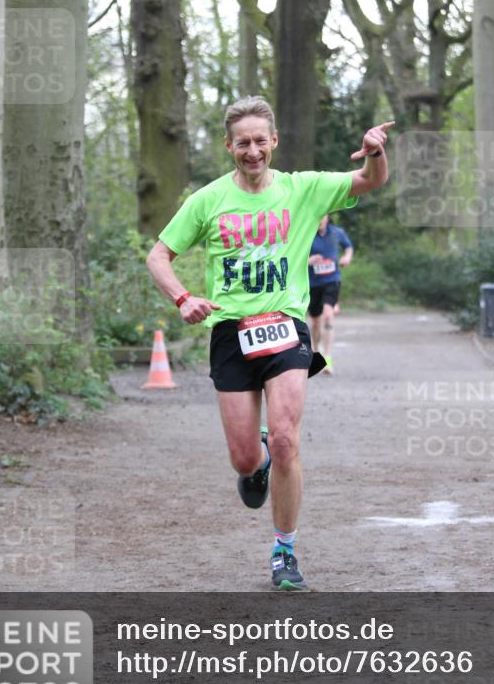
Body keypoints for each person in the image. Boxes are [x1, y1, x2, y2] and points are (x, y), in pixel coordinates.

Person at [146, 96, 393, 590]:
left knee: (285, 439)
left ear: (274, 141)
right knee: (245, 459)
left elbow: (370, 181)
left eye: (261, 140)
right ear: (229, 146)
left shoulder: (303, 189)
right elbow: (158, 256)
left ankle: (285, 551)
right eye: (243, 143)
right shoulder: (207, 200)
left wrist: (375, 152)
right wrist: (182, 298)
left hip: (285, 327)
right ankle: (255, 460)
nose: (253, 151)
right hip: (230, 333)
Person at [308, 215, 353, 374]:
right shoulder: (306, 233)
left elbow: (348, 247)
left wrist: (347, 257)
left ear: (327, 217)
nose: (320, 219)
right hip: (312, 283)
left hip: (332, 280)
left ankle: (327, 358)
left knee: (328, 316)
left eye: (323, 216)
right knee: (315, 322)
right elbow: (294, 255)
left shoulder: (336, 232)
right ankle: (316, 352)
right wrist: (308, 260)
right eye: (318, 216)